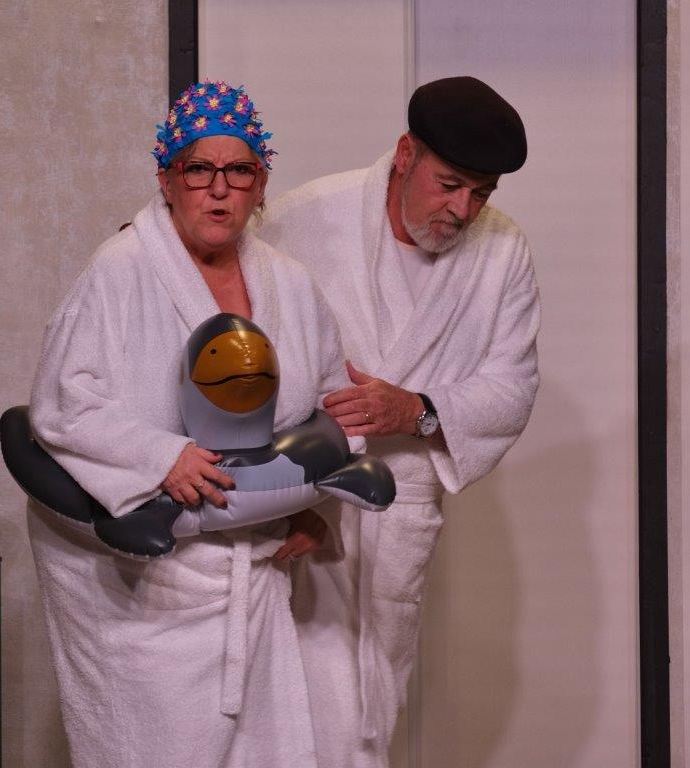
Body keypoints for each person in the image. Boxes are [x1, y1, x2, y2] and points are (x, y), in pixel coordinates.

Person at [27, 80, 355, 768]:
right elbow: (62, 403)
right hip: (149, 585)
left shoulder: (290, 283)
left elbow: (331, 407)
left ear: (261, 184)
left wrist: (308, 505)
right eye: (199, 169)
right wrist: (159, 456)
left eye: (240, 171)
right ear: (167, 179)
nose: (219, 189)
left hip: (254, 572)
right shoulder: (120, 269)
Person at [259, 76, 541, 767]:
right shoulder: (304, 219)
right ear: (405, 153)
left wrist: (416, 409)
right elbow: (245, 353)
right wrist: (273, 497)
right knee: (278, 692)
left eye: (481, 194)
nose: (462, 209)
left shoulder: (503, 252)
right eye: (449, 185)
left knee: (369, 705)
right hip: (291, 498)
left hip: (398, 510)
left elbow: (512, 386)